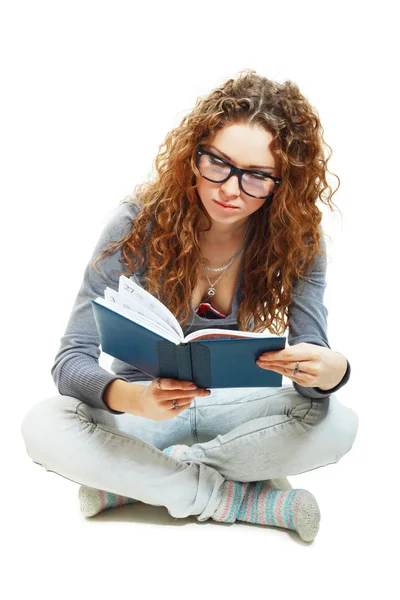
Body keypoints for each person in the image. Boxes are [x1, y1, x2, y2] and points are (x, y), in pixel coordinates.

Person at [20, 69, 358, 543]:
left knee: (338, 422)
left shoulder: (298, 240)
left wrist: (331, 372)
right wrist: (132, 397)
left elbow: (312, 371)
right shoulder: (136, 222)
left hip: (233, 407)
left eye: (257, 177)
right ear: (193, 153)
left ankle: (138, 483)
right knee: (44, 424)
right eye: (218, 163)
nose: (230, 189)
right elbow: (71, 358)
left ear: (283, 184)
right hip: (144, 408)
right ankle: (238, 499)